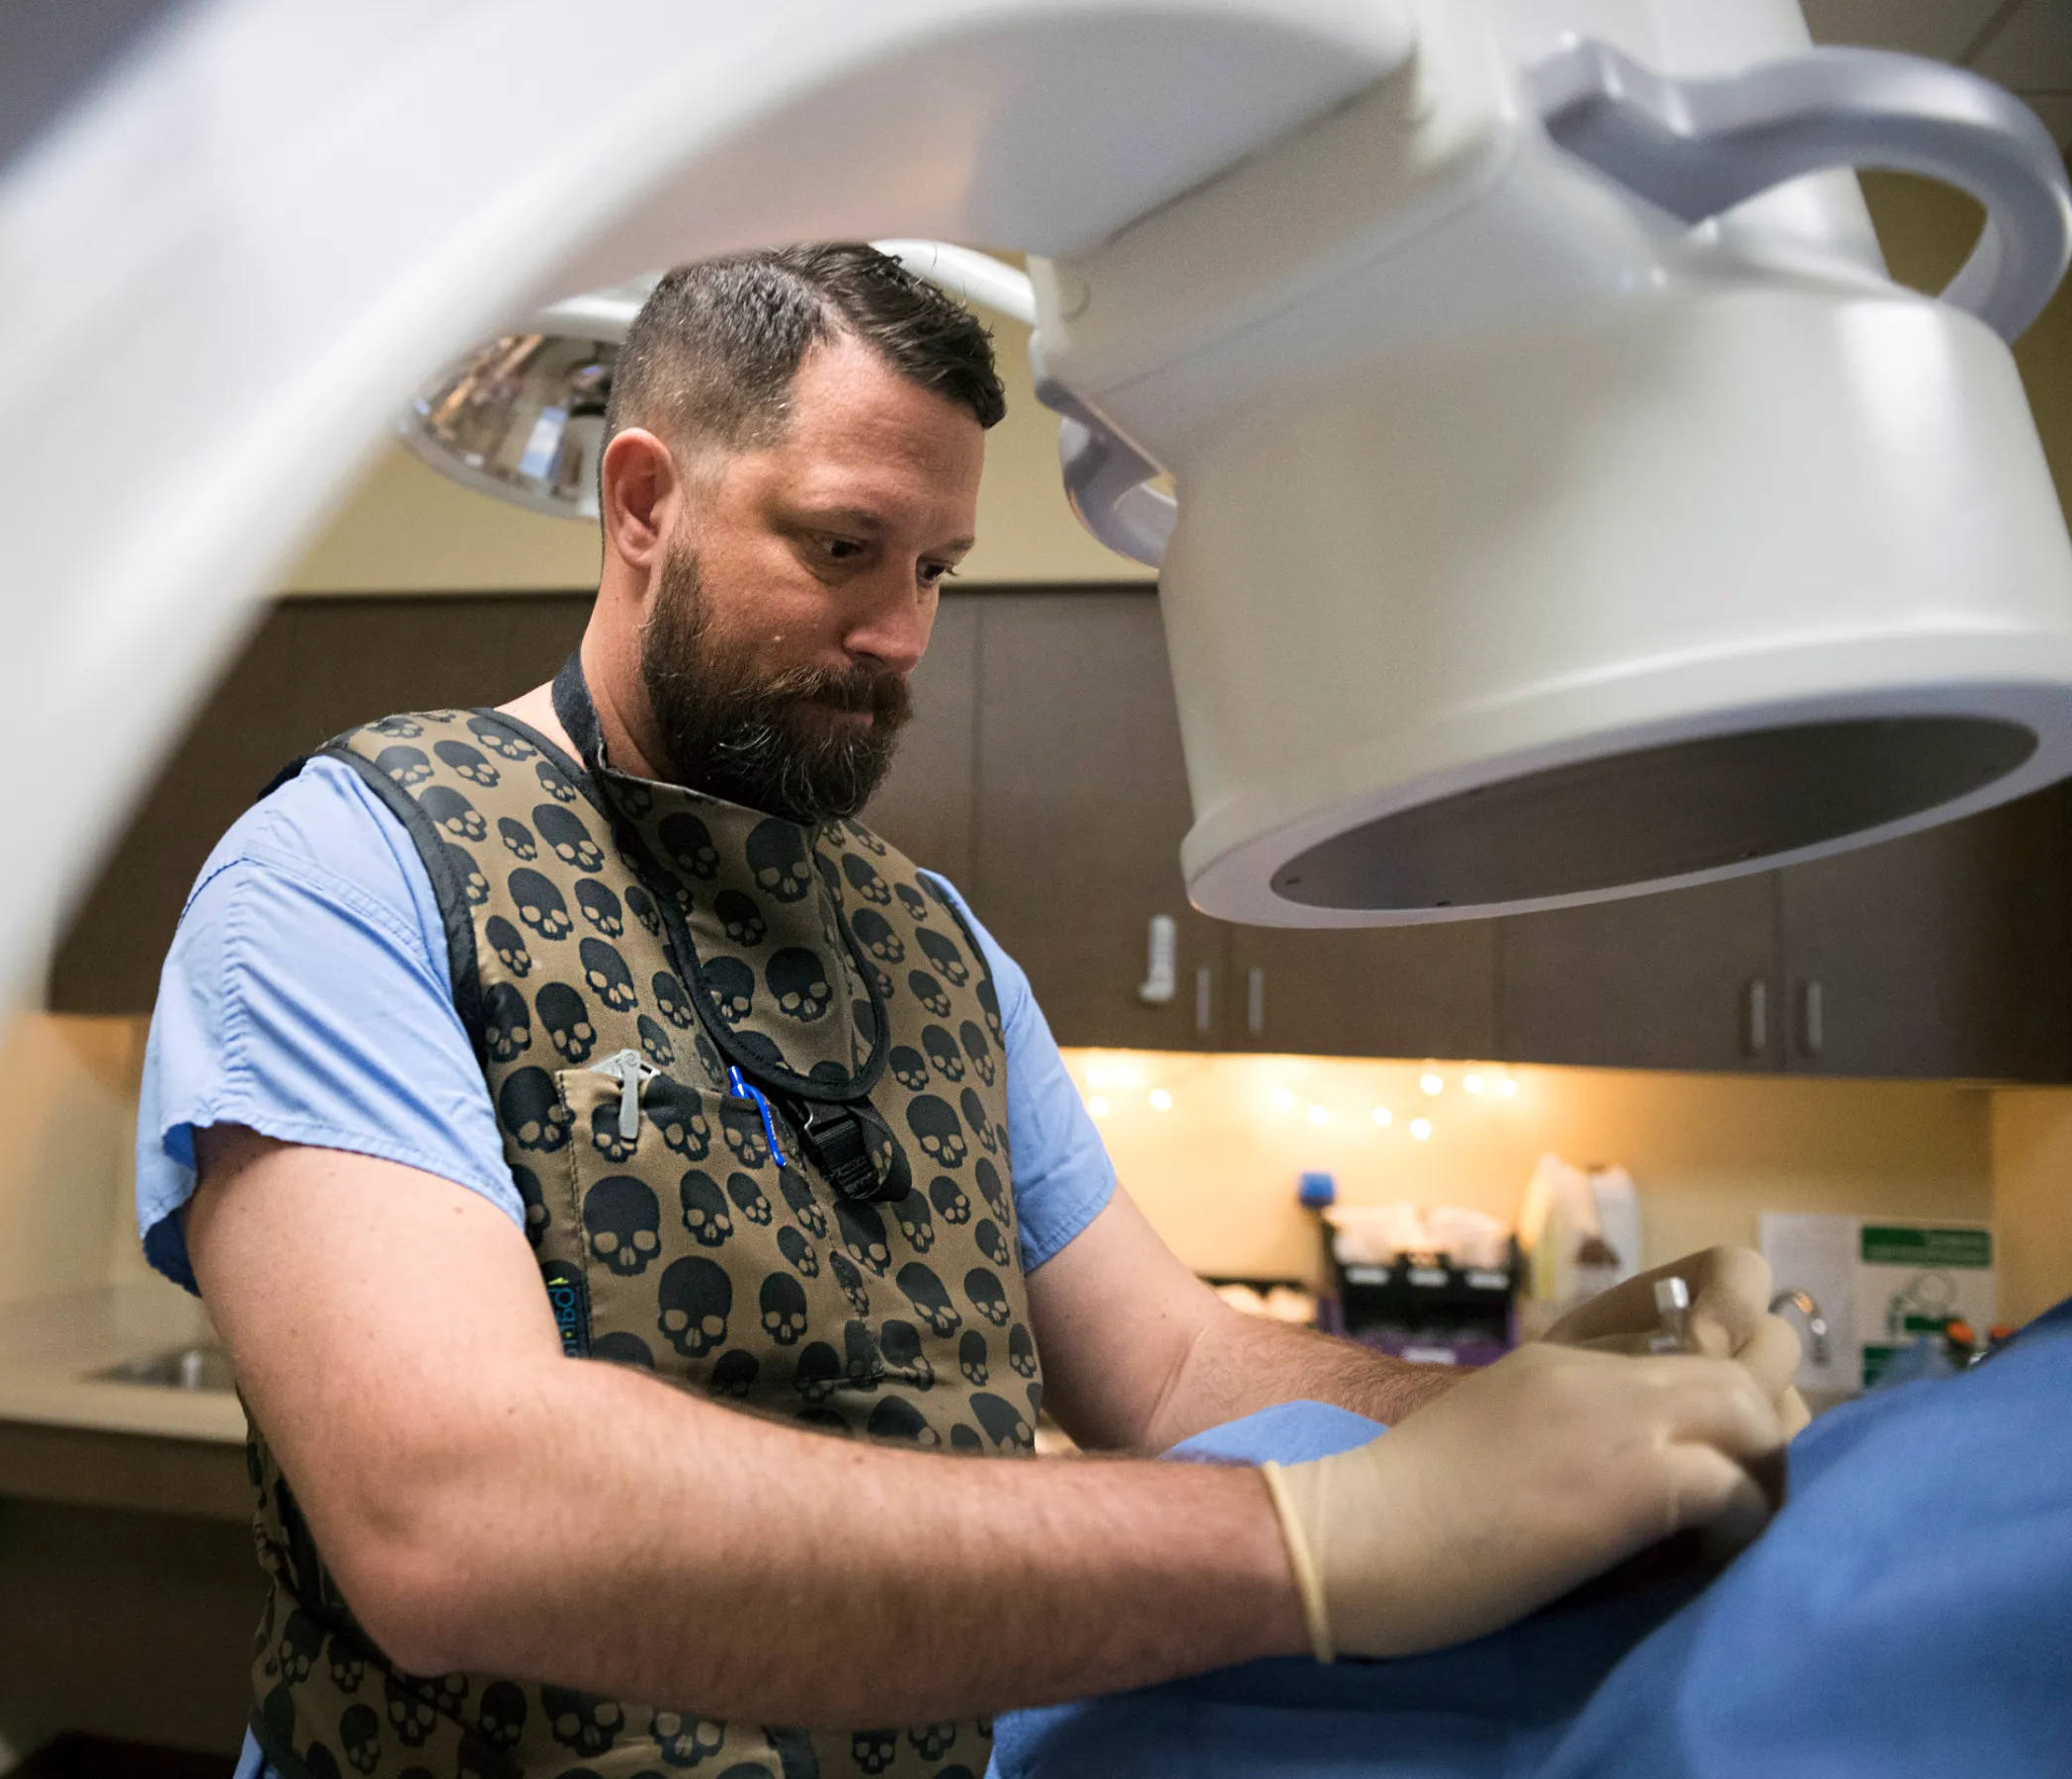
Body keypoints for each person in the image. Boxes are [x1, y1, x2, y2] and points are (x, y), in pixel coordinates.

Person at [134, 244, 1799, 1779]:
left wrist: (1551, 1410)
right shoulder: (356, 872)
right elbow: (453, 1514)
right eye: (844, 547)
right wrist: (1317, 1543)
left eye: (936, 566)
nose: (899, 635)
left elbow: (1170, 1363)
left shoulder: (931, 947)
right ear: (642, 502)